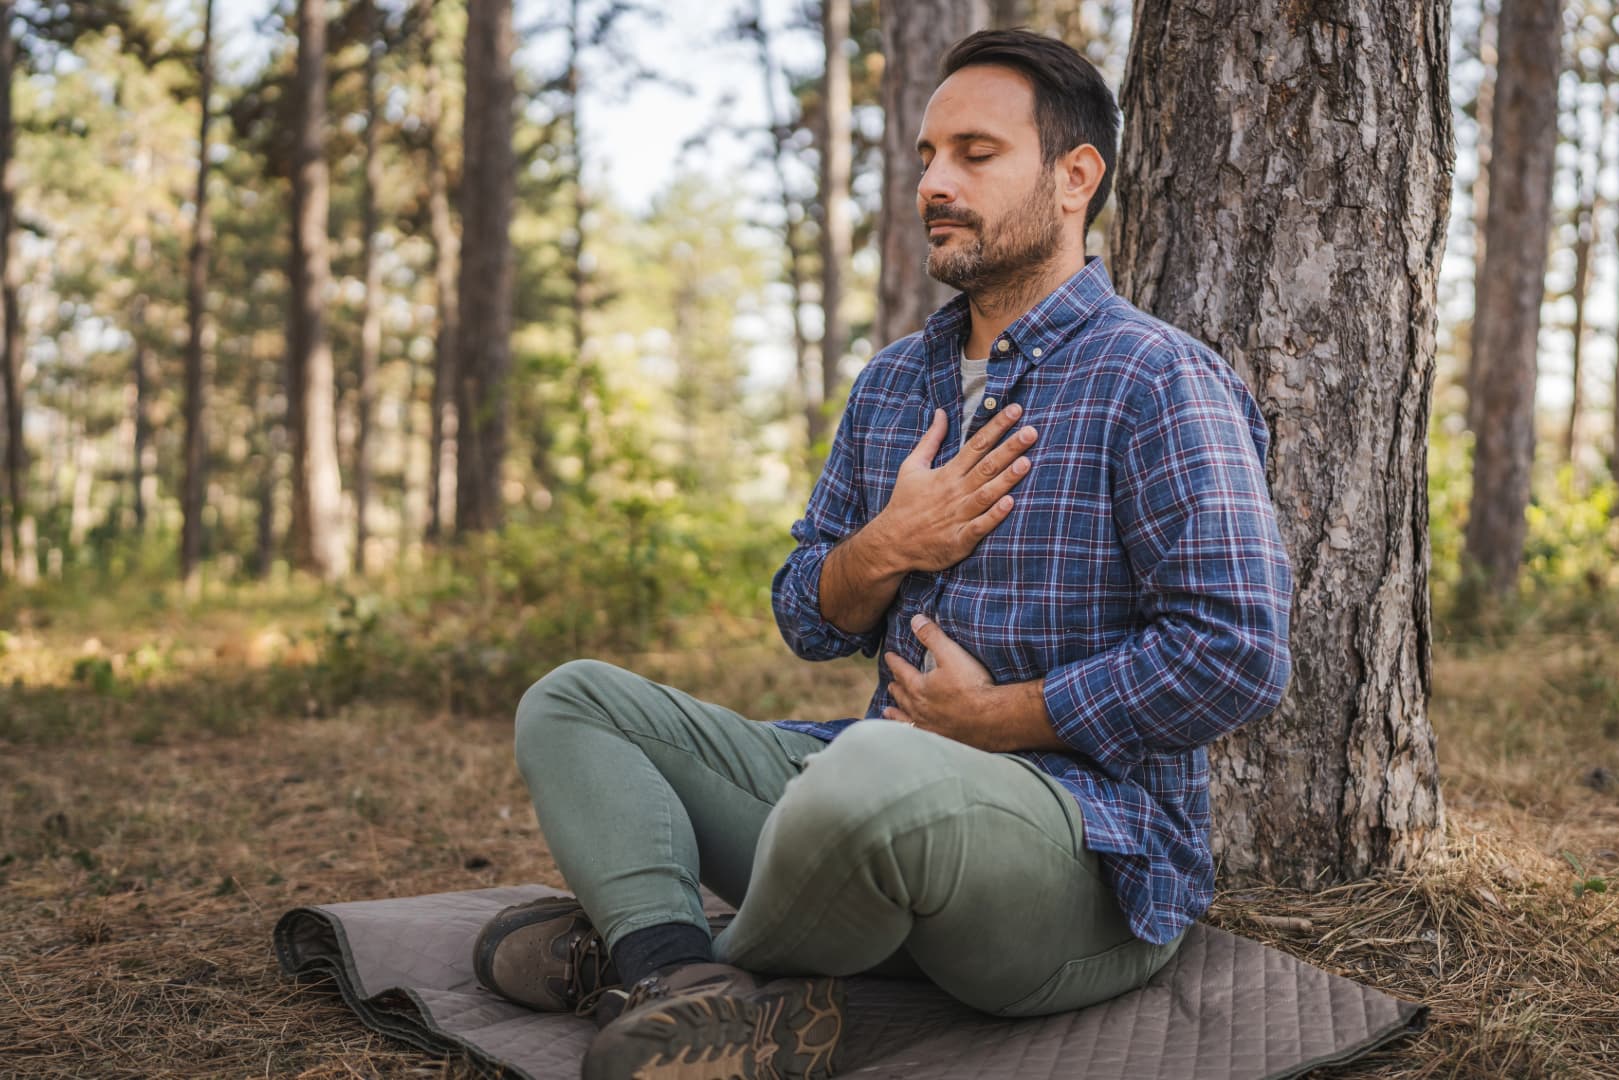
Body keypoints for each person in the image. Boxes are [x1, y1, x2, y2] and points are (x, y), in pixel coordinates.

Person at [472, 28, 1293, 1080]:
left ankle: (654, 959)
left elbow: (1238, 653)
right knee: (574, 701)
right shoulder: (895, 384)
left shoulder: (1158, 379)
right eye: (925, 155)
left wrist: (1001, 719)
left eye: (976, 154)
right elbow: (807, 618)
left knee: (872, 772)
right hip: (868, 794)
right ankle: (679, 979)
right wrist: (887, 545)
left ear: (1075, 176)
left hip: (1087, 863)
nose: (935, 183)